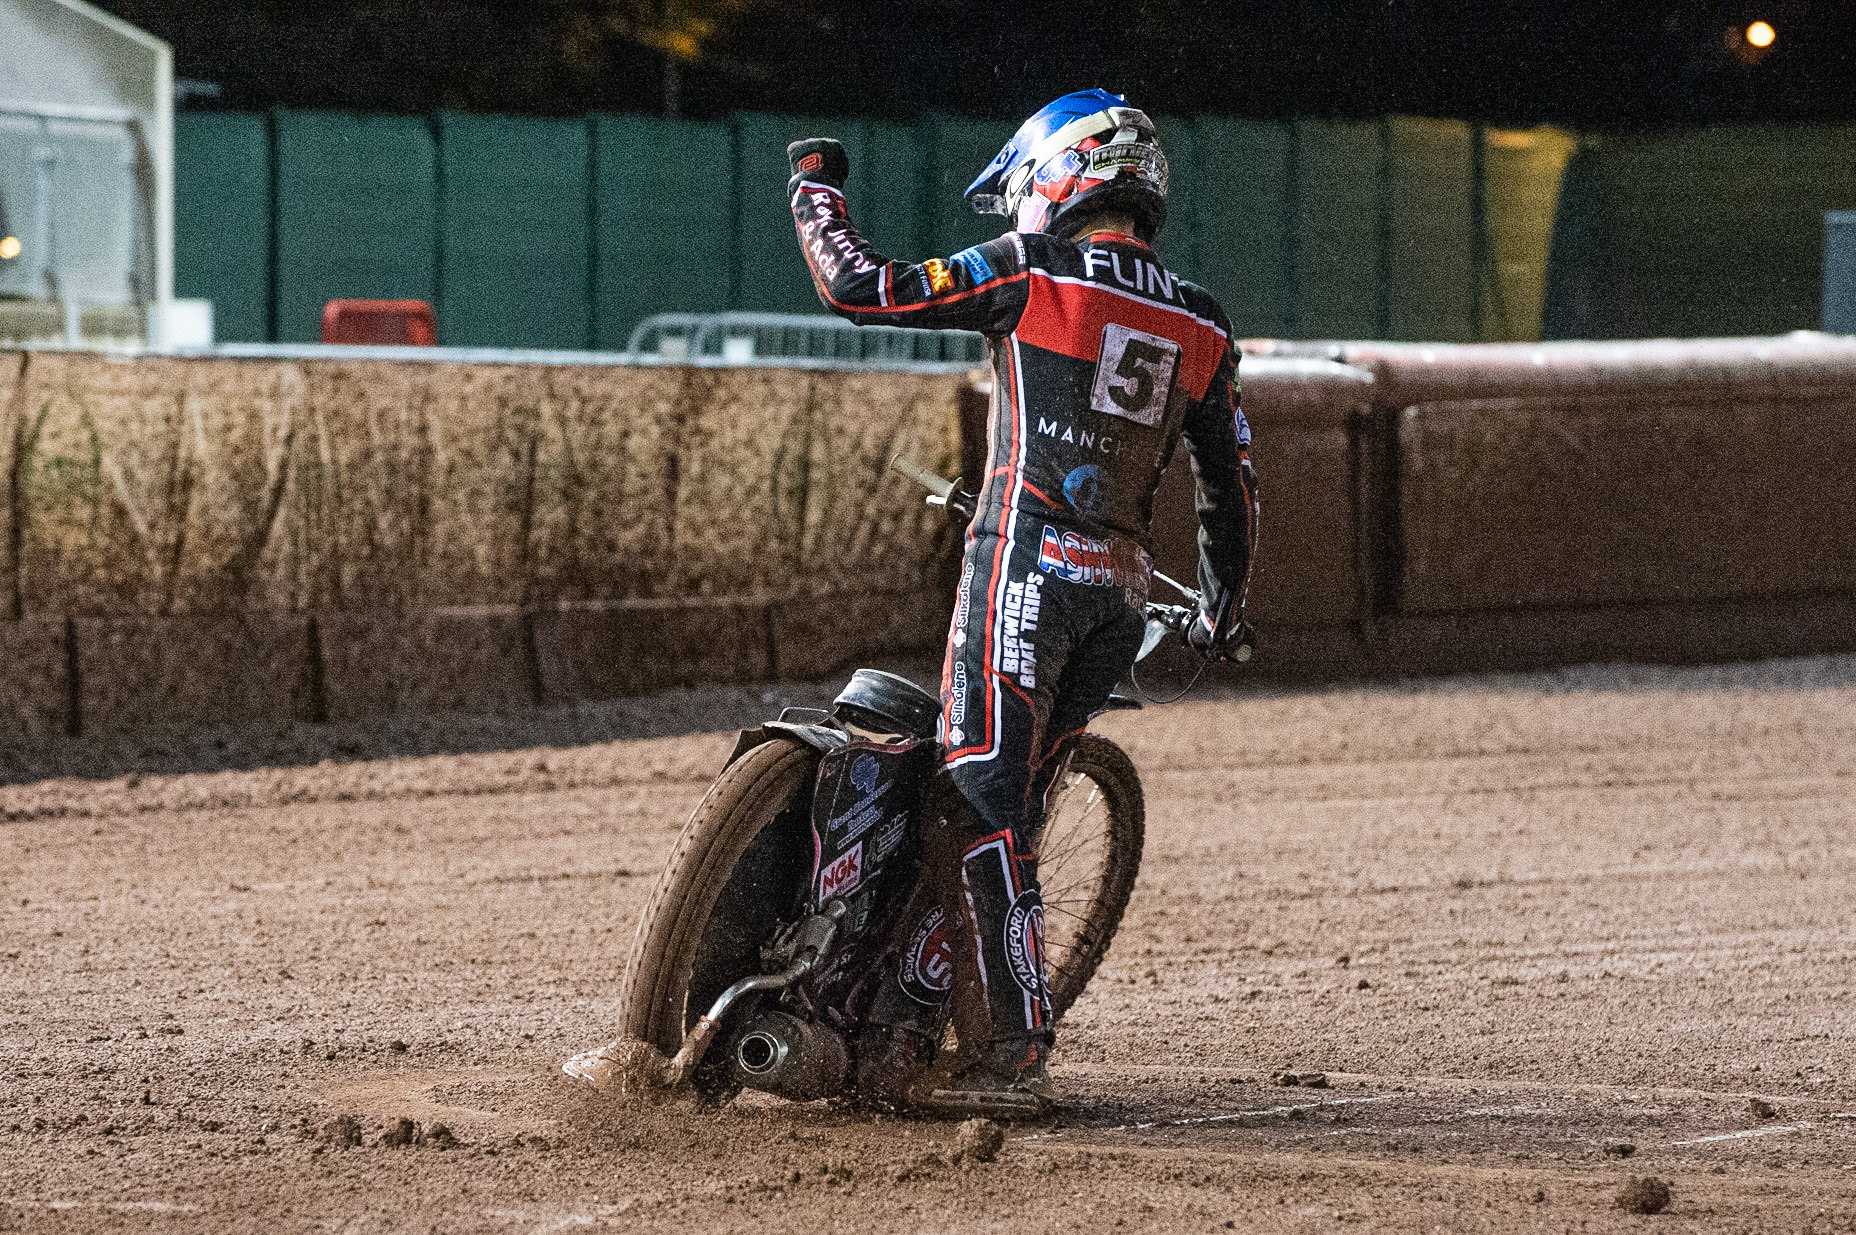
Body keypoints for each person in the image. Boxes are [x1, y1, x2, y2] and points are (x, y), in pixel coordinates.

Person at [786, 88, 1258, 1114]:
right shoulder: (1199, 318)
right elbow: (1228, 483)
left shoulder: (1030, 269)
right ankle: (906, 1017)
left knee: (979, 793)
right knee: (1007, 801)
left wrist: (812, 188)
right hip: (1118, 601)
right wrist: (1219, 604)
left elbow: (861, 289)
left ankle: (1010, 1054)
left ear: (1062, 173)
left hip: (1026, 569)